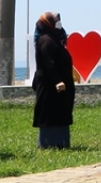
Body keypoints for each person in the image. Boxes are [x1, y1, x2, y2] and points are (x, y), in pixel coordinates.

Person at [32, 11, 76, 149]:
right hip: (50, 86)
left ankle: (60, 142)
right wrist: (57, 81)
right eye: (55, 20)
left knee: (60, 113)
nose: (58, 22)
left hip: (59, 87)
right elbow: (48, 63)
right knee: (50, 114)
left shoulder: (54, 39)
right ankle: (48, 143)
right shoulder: (47, 41)